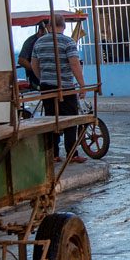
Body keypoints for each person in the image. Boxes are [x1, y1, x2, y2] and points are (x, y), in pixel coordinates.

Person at [31, 13, 88, 162]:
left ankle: (54, 154)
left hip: (46, 86)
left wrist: (43, 79)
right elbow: (74, 64)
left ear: (49, 26)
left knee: (51, 120)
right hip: (65, 87)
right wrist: (82, 85)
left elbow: (34, 65)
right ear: (63, 26)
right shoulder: (68, 42)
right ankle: (71, 153)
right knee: (70, 120)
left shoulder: (39, 42)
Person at [15, 20, 47, 90]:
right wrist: (36, 70)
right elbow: (21, 60)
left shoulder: (51, 41)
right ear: (41, 31)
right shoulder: (30, 42)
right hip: (36, 79)